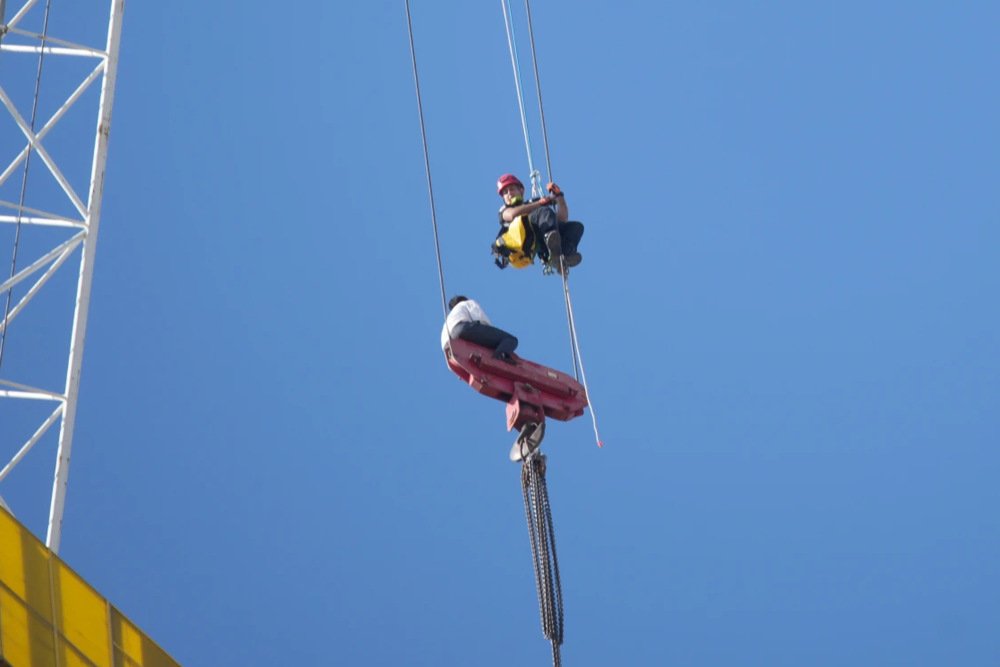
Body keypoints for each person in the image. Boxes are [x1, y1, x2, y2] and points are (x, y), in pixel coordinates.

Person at [493, 173, 584, 275]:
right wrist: (540, 203)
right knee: (543, 211)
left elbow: (562, 219)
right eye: (505, 192)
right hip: (520, 243)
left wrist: (559, 196)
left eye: (512, 189)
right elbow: (512, 215)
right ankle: (551, 239)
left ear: (521, 191)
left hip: (538, 238)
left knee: (576, 227)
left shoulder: (533, 204)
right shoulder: (504, 210)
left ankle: (563, 255)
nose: (509, 193)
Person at [440, 295, 518, 363]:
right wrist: (491, 336)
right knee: (510, 340)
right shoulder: (467, 303)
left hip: (449, 344)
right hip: (463, 328)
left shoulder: (448, 320)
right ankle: (499, 357)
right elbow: (480, 318)